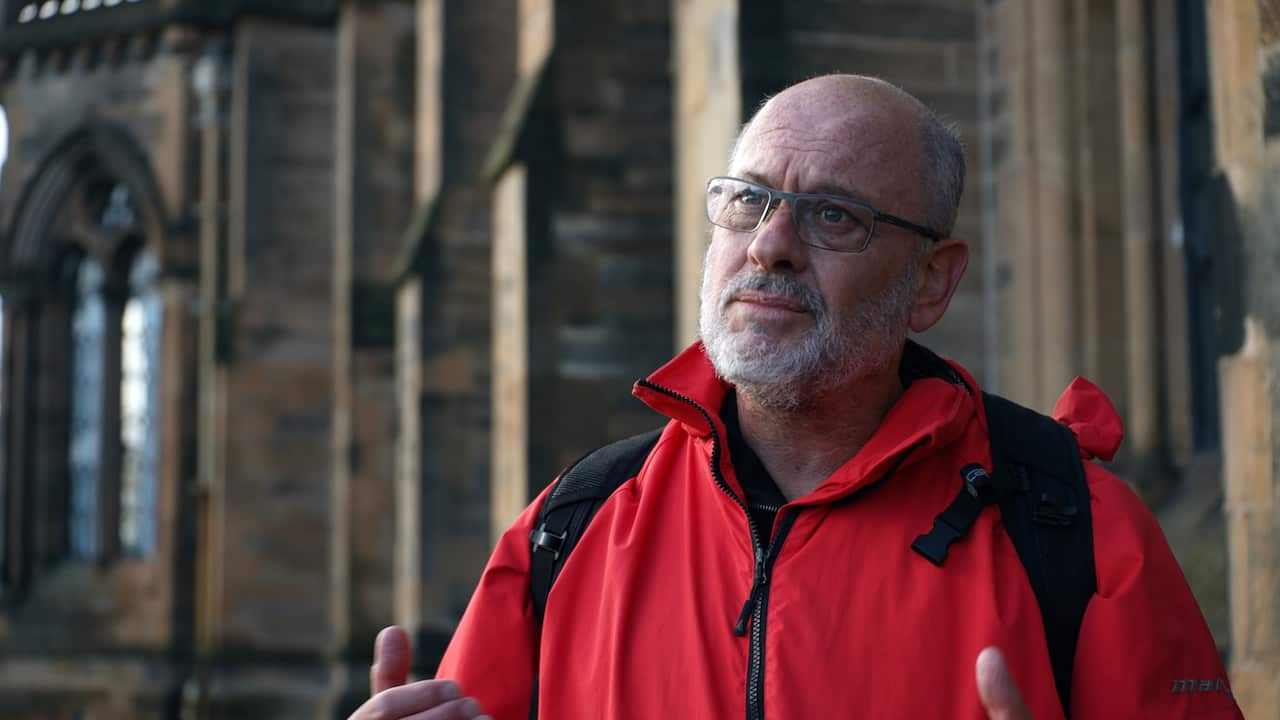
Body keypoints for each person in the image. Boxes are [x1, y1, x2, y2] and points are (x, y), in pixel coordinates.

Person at [348, 74, 1242, 719]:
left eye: (834, 215)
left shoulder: (1080, 532)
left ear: (932, 282)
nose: (770, 245)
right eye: (747, 200)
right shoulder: (571, 528)